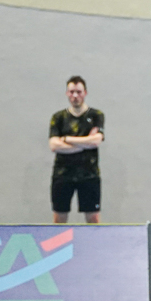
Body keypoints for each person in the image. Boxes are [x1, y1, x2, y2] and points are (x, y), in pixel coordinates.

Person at [48, 76, 105, 223]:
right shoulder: (58, 117)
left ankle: (94, 245)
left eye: (78, 92)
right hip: (62, 175)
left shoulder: (96, 116)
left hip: (89, 175)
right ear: (67, 93)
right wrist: (85, 142)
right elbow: (54, 145)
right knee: (59, 217)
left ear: (85, 93)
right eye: (71, 92)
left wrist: (66, 139)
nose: (75, 96)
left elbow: (96, 141)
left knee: (93, 217)